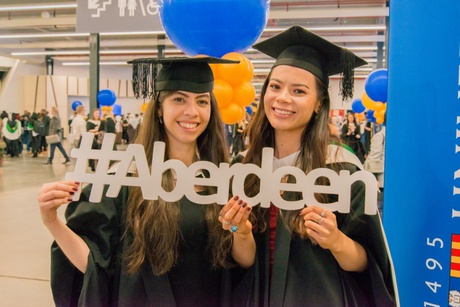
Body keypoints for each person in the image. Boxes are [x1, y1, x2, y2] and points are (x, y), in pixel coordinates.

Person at [38, 56, 256, 306]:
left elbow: (244, 263)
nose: (192, 111)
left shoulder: (223, 179)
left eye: (202, 101)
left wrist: (241, 231)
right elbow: (95, 264)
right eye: (179, 99)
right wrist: (51, 221)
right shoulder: (125, 179)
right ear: (160, 109)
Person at [233, 25, 396, 306]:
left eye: (299, 91)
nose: (283, 98)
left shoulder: (341, 169)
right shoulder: (244, 167)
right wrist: (239, 231)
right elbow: (238, 263)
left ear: (319, 103)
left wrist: (335, 240)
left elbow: (365, 263)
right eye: (275, 86)